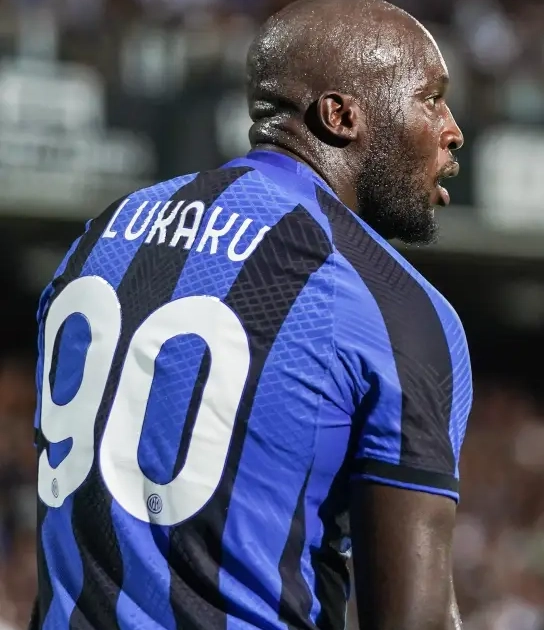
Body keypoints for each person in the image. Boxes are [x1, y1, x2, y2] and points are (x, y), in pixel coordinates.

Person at [30, 1, 469, 628]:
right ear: (340, 116)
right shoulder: (391, 305)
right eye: (431, 99)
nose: (453, 129)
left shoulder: (98, 241)